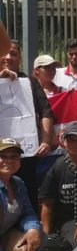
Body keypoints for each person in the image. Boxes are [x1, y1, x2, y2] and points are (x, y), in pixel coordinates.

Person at [0, 41, 55, 210]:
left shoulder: (30, 82)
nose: (9, 57)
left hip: (24, 154)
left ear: (20, 59)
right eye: (5, 53)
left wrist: (45, 140)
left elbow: (46, 112)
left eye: (14, 53)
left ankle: (30, 228)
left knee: (28, 194)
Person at [39, 122, 77, 249]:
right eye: (70, 139)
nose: (74, 144)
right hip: (70, 221)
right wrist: (46, 237)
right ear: (64, 142)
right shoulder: (57, 167)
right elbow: (47, 204)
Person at [0, 138, 43, 251]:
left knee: (39, 238)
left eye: (14, 156)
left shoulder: (17, 183)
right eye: (3, 156)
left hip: (4, 239)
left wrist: (33, 229)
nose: (9, 160)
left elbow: (28, 212)